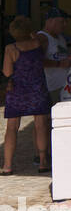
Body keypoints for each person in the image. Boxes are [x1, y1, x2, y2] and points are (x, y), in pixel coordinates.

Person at [3, 16, 52, 174]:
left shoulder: (11, 49)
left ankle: (7, 165)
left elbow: (7, 72)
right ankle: (43, 162)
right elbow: (41, 51)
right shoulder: (39, 44)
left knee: (12, 127)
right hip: (38, 89)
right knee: (41, 125)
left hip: (17, 91)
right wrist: (32, 35)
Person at [38, 8, 71, 102]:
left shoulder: (60, 38)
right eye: (62, 21)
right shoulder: (42, 38)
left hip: (65, 86)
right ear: (50, 21)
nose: (65, 25)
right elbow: (36, 62)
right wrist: (59, 64)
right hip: (50, 87)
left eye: (66, 21)